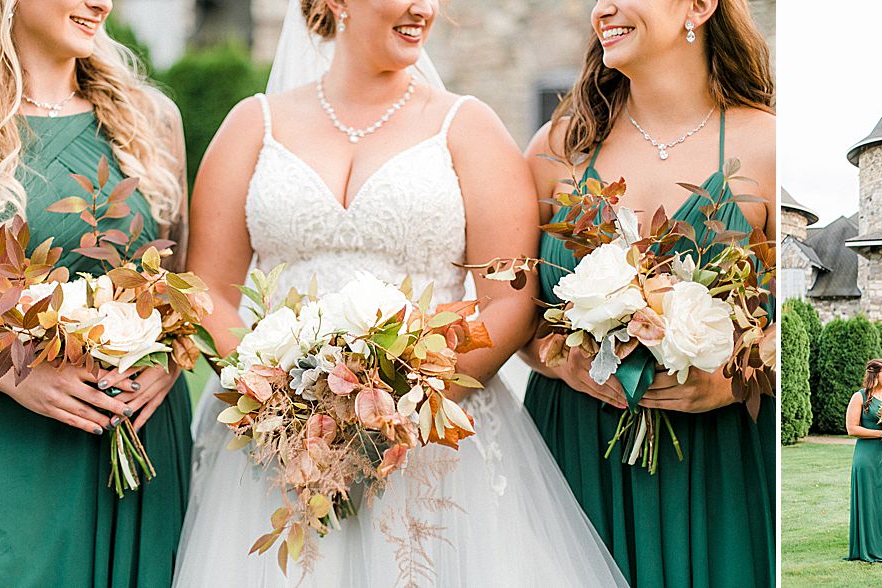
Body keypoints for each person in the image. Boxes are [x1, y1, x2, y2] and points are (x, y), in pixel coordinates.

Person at [172, 1, 625, 585]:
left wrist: (405, 407)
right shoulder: (252, 124)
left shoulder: (468, 126)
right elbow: (209, 287)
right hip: (275, 451)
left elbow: (510, 300)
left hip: (434, 436)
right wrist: (278, 403)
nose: (424, 8)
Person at [0, 1, 191, 584]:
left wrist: (173, 360)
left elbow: (180, 285)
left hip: (140, 442)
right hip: (5, 450)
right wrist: (17, 373)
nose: (100, 3)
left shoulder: (153, 119)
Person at [521, 0, 776, 584]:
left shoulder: (764, 143)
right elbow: (515, 313)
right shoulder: (558, 148)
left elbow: (793, 320)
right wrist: (559, 361)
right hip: (577, 451)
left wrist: (739, 376)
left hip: (719, 463)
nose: (600, 9)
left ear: (699, 6)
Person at [844, 359, 882, 562]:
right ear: (874, 375)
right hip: (868, 456)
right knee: (872, 500)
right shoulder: (860, 397)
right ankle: (870, 546)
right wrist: (881, 434)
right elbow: (852, 429)